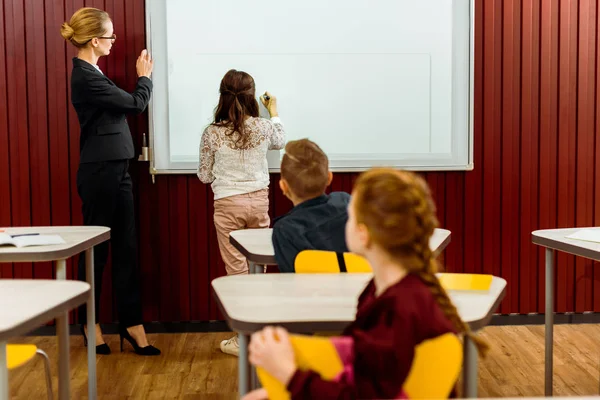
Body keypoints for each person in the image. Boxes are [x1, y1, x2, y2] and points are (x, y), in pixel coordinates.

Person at [243, 168, 489, 399]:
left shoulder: (396, 310)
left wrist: (288, 376)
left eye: (350, 216)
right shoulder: (386, 290)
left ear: (364, 234)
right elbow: (359, 374)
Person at [60, 7, 160, 356]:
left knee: (127, 249)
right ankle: (91, 323)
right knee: (96, 252)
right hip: (100, 171)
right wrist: (144, 76)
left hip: (118, 168)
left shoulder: (95, 73)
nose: (114, 41)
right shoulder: (85, 77)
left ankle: (132, 324)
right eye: (111, 36)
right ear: (95, 40)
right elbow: (136, 103)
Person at [197, 69, 285, 356]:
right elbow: (281, 139)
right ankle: (260, 336)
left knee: (237, 271)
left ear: (222, 95)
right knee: (258, 267)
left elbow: (204, 176)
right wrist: (274, 110)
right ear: (251, 97)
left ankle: (242, 339)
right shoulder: (263, 127)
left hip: (227, 204)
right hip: (258, 201)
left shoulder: (212, 133)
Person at [272, 139, 350, 272]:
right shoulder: (346, 202)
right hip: (361, 290)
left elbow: (291, 280)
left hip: (311, 292)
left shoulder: (285, 230)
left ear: (283, 186)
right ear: (329, 178)